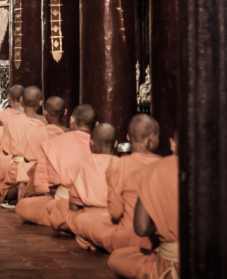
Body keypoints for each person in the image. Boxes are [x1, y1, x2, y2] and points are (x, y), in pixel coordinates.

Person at [70, 114, 162, 253]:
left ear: (128, 137)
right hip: (161, 234)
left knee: (80, 220)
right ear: (152, 137)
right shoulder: (164, 164)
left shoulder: (120, 164)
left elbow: (115, 212)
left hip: (126, 235)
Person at [108, 132, 179, 278]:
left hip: (172, 263)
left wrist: (162, 224)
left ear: (172, 143)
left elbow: (141, 228)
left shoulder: (154, 170)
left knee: (117, 256)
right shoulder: (223, 169)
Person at [15, 104, 96, 226]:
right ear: (97, 124)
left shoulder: (54, 144)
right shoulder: (101, 145)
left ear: (72, 120)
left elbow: (43, 187)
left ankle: (67, 220)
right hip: (94, 201)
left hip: (63, 202)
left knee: (22, 206)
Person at [47, 123, 116, 237]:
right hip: (117, 218)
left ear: (91, 143)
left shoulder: (81, 165)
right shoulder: (125, 165)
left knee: (53, 206)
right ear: (115, 144)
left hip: (89, 218)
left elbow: (73, 207)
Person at [0, 86, 47, 205]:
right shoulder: (45, 122)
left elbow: (5, 151)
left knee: (8, 193)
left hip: (16, 167)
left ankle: (20, 190)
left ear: (21, 100)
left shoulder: (11, 121)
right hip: (37, 169)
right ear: (40, 103)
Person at [17, 96, 69, 199]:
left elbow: (26, 159)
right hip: (63, 181)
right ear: (65, 112)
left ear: (45, 112)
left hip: (40, 182)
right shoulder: (70, 134)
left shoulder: (33, 132)